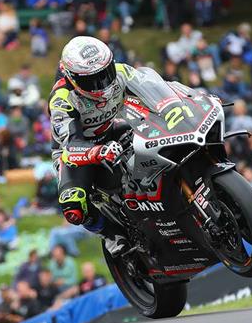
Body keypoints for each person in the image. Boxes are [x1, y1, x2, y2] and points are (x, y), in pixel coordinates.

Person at [49, 36, 165, 255]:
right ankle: (111, 234)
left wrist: (185, 100)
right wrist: (97, 151)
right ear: (72, 78)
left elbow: (158, 91)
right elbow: (71, 142)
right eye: (91, 80)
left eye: (104, 74)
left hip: (115, 129)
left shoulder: (122, 72)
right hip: (75, 151)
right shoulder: (62, 99)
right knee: (73, 207)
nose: (101, 85)